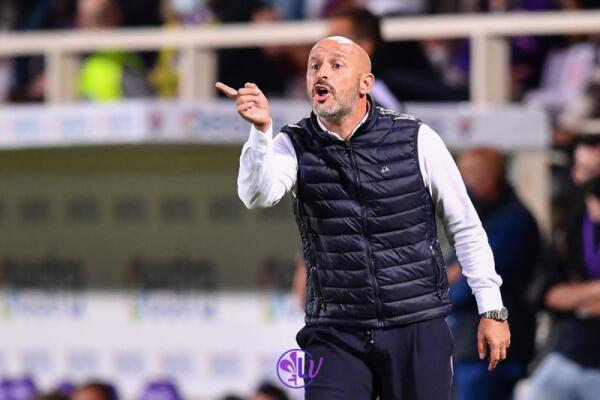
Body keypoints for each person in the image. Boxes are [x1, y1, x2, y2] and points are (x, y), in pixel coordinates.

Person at [216, 36, 510, 400]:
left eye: (336, 65)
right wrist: (261, 133)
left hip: (415, 322)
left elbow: (465, 226)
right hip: (335, 330)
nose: (322, 73)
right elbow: (257, 195)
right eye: (314, 66)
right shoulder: (294, 143)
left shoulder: (416, 139)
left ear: (365, 84)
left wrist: (492, 309)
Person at [449, 148, 540, 400]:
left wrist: (454, 278)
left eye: (467, 174)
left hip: (495, 348)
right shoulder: (480, 217)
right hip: (471, 343)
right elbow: (446, 269)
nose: (460, 182)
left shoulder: (513, 222)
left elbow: (469, 285)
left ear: (488, 180)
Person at [519, 176, 600, 400]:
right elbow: (550, 295)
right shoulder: (571, 230)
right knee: (532, 394)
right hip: (571, 351)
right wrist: (594, 290)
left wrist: (577, 294)